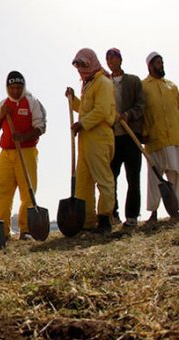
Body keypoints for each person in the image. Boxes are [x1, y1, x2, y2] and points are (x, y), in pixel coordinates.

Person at [65, 48, 117, 232]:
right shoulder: (88, 84)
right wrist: (73, 100)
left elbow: (101, 111)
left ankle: (104, 218)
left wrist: (82, 124)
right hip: (86, 138)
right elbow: (86, 109)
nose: (80, 70)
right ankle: (87, 222)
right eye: (78, 66)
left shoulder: (103, 82)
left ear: (92, 63)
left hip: (99, 136)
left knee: (103, 178)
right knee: (83, 182)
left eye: (83, 65)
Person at [0, 71, 47, 240]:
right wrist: (2, 115)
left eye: (19, 87)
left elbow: (41, 127)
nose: (15, 91)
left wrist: (24, 137)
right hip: (6, 154)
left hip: (26, 152)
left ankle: (25, 229)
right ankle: (2, 230)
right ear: (7, 88)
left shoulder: (32, 102)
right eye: (12, 88)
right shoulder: (2, 104)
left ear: (23, 87)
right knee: (3, 192)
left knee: (28, 192)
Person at [105, 48, 146, 227]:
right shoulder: (104, 83)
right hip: (112, 136)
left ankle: (132, 216)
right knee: (111, 176)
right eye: (108, 59)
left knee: (133, 176)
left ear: (120, 60)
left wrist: (129, 115)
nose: (111, 61)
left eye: (114, 58)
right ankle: (112, 214)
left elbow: (141, 105)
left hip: (131, 135)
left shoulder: (133, 81)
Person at [141, 52, 179, 221]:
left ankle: (175, 209)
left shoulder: (171, 86)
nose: (161, 65)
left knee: (175, 173)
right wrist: (143, 132)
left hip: (174, 137)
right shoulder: (143, 87)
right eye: (157, 62)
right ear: (150, 65)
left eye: (162, 62)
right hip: (154, 138)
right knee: (154, 177)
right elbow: (141, 112)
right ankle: (153, 212)